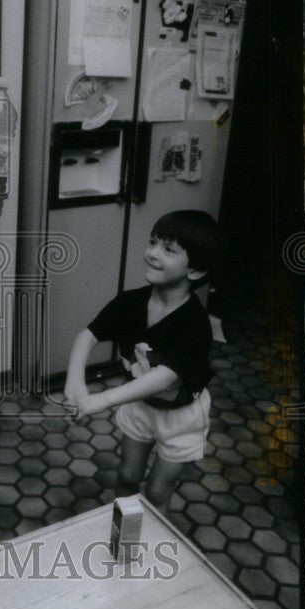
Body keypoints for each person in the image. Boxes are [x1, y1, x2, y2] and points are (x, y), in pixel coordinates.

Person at [63, 210, 226, 512]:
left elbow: (164, 378)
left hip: (182, 417)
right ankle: (122, 542)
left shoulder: (195, 324)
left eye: (168, 249)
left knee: (157, 492)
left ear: (195, 270)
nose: (151, 253)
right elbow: (87, 337)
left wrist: (100, 400)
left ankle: (148, 549)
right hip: (140, 407)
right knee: (127, 475)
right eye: (152, 242)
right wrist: (74, 383)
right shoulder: (129, 302)